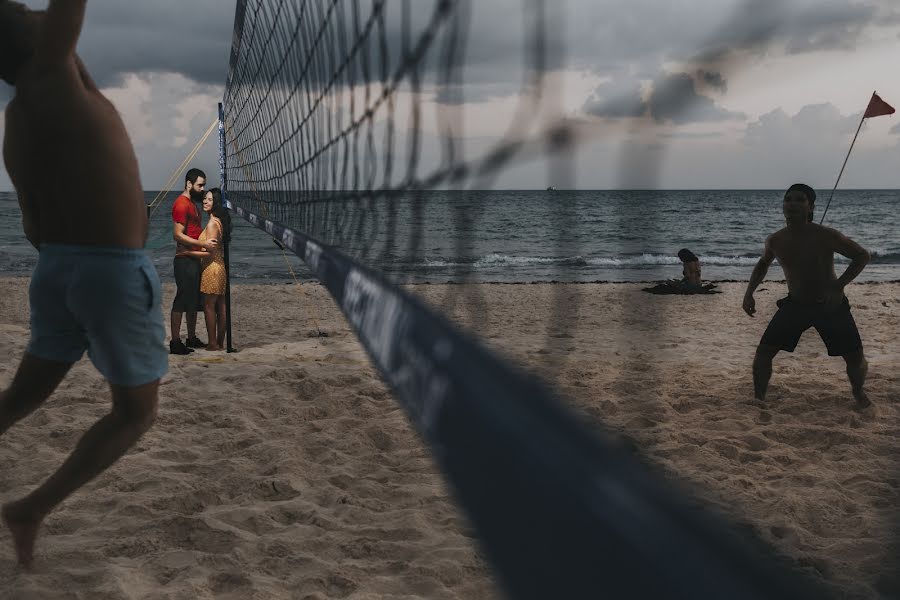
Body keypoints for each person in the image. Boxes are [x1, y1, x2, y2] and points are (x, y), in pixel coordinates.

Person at [0, 0, 166, 568]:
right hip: (108, 271)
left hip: (56, 270)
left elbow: (33, 223)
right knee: (135, 414)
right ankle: (31, 508)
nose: (40, 9)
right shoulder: (51, 72)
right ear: (31, 38)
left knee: (23, 397)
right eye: (28, 8)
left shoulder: (21, 114)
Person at [743, 183, 871, 410]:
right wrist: (749, 292)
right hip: (796, 305)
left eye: (800, 200)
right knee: (764, 353)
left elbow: (861, 255)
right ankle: (759, 398)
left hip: (830, 306)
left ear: (810, 207)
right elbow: (763, 264)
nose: (792, 203)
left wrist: (838, 286)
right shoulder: (775, 239)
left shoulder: (826, 235)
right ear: (783, 205)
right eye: (788, 199)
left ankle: (859, 393)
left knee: (855, 358)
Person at [170, 167, 217, 355]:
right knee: (181, 300)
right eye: (200, 185)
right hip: (184, 260)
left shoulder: (192, 204)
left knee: (192, 301)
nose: (202, 189)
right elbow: (177, 235)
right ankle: (175, 342)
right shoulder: (181, 204)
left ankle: (191, 338)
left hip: (193, 258)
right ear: (189, 184)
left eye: (204, 185)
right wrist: (202, 242)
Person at [177, 188, 230, 350]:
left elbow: (208, 253)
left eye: (210, 199)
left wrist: (186, 252)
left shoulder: (213, 224)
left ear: (216, 203)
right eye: (205, 199)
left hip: (212, 268)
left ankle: (213, 343)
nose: (205, 202)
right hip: (219, 267)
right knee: (221, 307)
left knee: (209, 307)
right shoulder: (218, 221)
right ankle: (220, 342)